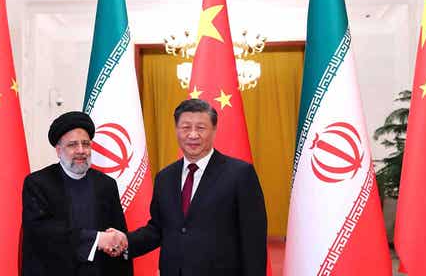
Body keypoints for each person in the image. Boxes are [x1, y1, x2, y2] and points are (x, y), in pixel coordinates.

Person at [125, 98, 268, 276]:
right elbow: (158, 230)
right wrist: (124, 242)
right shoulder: (165, 177)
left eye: (201, 128)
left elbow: (253, 241)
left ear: (214, 130)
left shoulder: (240, 174)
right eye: (185, 127)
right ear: (176, 129)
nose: (193, 135)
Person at [21, 111, 132, 276]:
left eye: (86, 144)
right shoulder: (38, 183)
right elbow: (43, 234)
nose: (81, 150)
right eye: (72, 145)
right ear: (58, 150)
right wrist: (96, 239)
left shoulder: (106, 185)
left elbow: (118, 238)